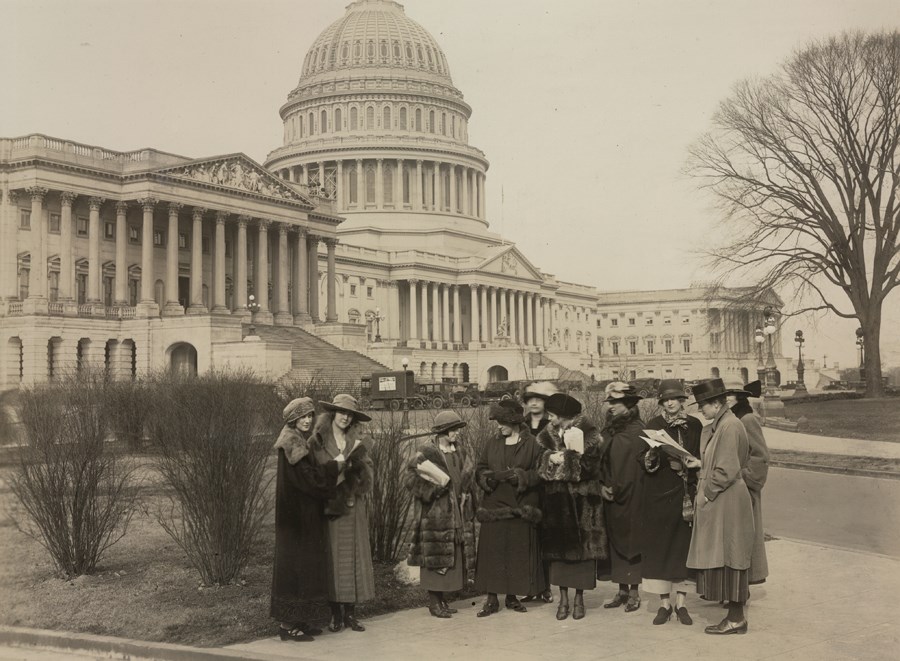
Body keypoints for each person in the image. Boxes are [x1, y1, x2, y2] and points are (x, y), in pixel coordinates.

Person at [686, 378, 755, 635]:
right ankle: (735, 617)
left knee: (733, 556)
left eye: (702, 405)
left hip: (726, 499)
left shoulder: (729, 426)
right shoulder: (723, 424)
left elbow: (726, 470)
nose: (700, 410)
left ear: (716, 404)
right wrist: (701, 467)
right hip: (724, 499)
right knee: (728, 556)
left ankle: (737, 619)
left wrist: (706, 494)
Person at [535, 393, 608, 621]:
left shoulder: (589, 435)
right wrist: (549, 459)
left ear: (563, 416)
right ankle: (563, 599)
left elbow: (590, 468)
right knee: (559, 554)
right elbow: (539, 466)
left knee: (583, 554)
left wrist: (563, 461)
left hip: (583, 502)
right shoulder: (545, 436)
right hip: (557, 503)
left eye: (552, 415)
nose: (549, 418)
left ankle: (579, 598)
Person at [309, 394, 376, 633]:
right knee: (335, 559)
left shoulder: (355, 440)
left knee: (353, 557)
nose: (345, 417)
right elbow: (314, 474)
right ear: (333, 413)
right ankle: (335, 614)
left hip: (352, 505)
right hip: (331, 507)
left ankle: (350, 614)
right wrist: (334, 471)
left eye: (350, 414)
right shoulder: (318, 440)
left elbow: (368, 475)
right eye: (342, 412)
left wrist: (355, 471)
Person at [474, 400, 545, 617]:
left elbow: (541, 472)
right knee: (493, 552)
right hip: (494, 505)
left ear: (513, 421)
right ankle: (492, 599)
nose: (498, 426)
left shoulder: (533, 444)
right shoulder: (492, 443)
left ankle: (512, 597)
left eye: (502, 422)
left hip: (519, 505)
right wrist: (487, 479)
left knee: (516, 552)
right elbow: (481, 468)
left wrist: (521, 477)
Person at [640, 380, 703, 626]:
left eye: (675, 399)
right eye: (666, 400)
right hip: (659, 494)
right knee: (661, 548)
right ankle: (664, 604)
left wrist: (690, 461)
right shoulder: (654, 425)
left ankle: (681, 604)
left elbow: (701, 452)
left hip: (685, 493)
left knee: (682, 549)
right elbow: (642, 458)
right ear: (661, 402)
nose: (670, 403)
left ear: (682, 400)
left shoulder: (694, 425)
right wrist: (655, 456)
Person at [404, 411, 477, 619]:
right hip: (435, 515)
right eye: (452, 430)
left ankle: (442, 599)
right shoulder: (426, 453)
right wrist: (434, 490)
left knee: (451, 556)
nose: (456, 434)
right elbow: (410, 480)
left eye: (457, 430)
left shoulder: (460, 452)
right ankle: (434, 602)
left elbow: (468, 478)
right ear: (442, 432)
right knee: (434, 558)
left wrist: (466, 494)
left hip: (457, 512)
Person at [270, 397, 329, 642]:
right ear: (293, 420)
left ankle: (300, 620)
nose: (307, 421)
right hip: (296, 520)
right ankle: (287, 626)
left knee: (302, 568)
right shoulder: (292, 445)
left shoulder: (296, 441)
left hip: (299, 518)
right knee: (293, 570)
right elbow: (308, 481)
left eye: (309, 416)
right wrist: (330, 479)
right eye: (302, 417)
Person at [598, 381, 645, 613]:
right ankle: (622, 590)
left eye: (615, 403)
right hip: (610, 496)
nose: (611, 407)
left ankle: (634, 591)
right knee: (615, 540)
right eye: (610, 403)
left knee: (632, 541)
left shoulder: (639, 431)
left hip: (634, 496)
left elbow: (640, 467)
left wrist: (621, 487)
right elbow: (599, 460)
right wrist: (601, 485)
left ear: (628, 404)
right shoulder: (608, 430)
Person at [723, 379, 769, 587]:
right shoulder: (730, 418)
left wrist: (745, 477)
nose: (725, 399)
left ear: (739, 397)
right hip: (731, 486)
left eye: (729, 395)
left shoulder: (747, 419)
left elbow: (760, 456)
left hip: (744, 487)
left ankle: (742, 589)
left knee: (745, 537)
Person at [521, 381, 558, 605]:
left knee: (546, 538)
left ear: (545, 402)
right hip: (526, 486)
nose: (534, 402)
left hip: (547, 488)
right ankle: (529, 585)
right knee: (527, 538)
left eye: (538, 399)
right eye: (529, 399)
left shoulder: (552, 425)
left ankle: (546, 586)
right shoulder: (521, 425)